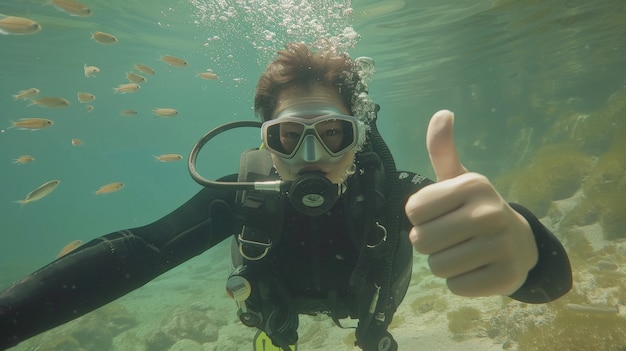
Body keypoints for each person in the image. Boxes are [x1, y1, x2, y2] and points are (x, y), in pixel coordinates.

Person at [0, 42, 572, 351]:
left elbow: (550, 282)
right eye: (288, 138)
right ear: (266, 145)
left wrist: (526, 252)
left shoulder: (390, 194)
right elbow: (140, 251)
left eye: (332, 135)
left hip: (366, 313)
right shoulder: (245, 197)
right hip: (278, 315)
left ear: (360, 136)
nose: (311, 159)